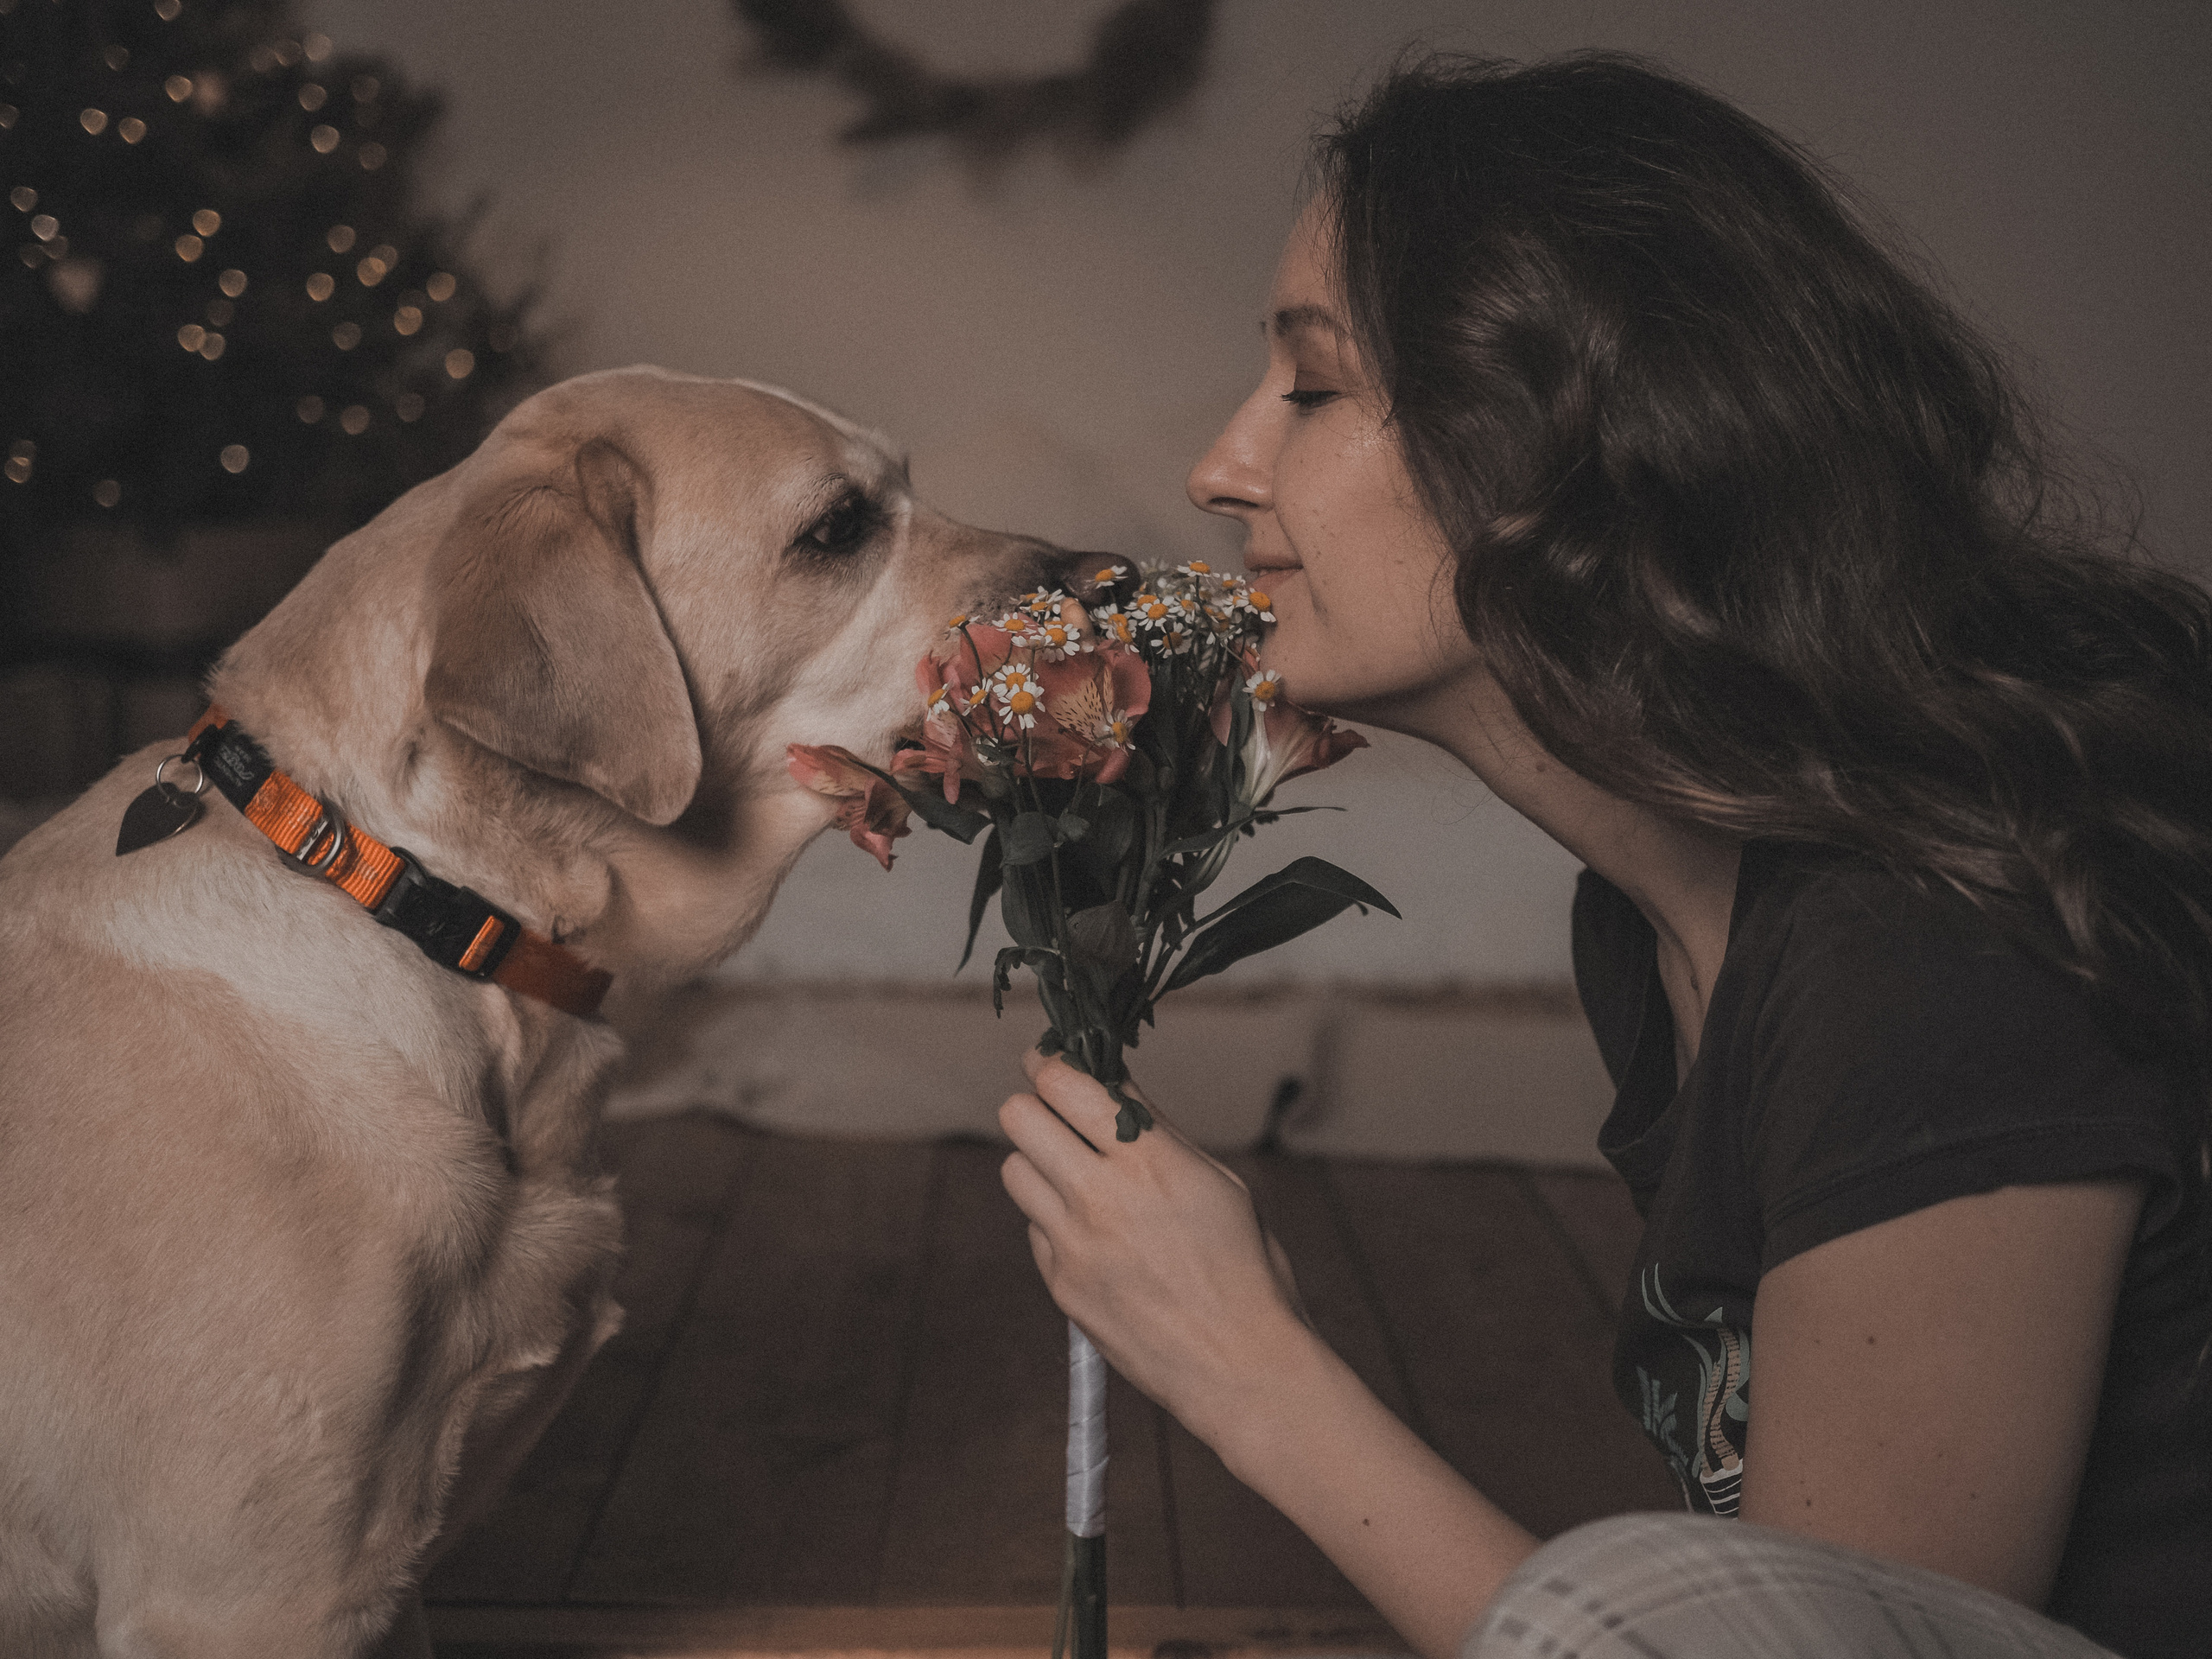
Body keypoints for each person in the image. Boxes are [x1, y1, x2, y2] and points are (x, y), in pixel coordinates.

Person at [995, 52, 2212, 1659]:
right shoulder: (1652, 924)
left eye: (1313, 388)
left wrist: (1246, 1367)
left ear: (1562, 435)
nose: (1220, 469)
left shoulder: (1929, 961)